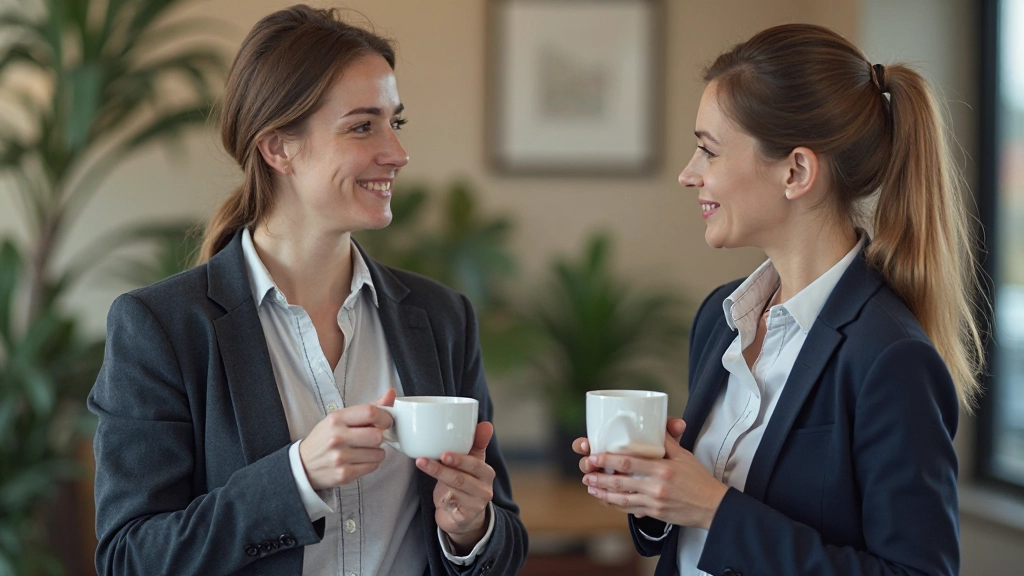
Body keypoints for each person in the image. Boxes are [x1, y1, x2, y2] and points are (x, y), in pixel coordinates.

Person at [88, 5, 527, 575]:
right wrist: (297, 478)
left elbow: (505, 540)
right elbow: (128, 559)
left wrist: (471, 531)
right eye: (362, 125)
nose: (396, 152)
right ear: (278, 148)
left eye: (396, 122)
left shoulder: (442, 318)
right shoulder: (161, 327)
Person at [573, 23, 982, 576]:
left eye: (708, 151)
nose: (688, 174)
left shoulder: (889, 356)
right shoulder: (720, 319)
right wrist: (656, 492)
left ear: (795, 171)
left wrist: (716, 510)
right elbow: (688, 539)